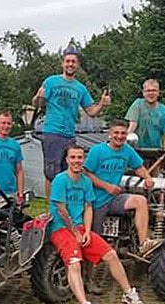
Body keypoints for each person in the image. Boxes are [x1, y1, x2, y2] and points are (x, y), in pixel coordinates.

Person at [49, 145, 144, 304]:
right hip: (62, 229)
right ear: (67, 160)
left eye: (80, 157)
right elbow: (61, 211)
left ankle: (128, 293)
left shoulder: (85, 181)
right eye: (73, 157)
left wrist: (87, 232)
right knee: (74, 263)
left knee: (111, 255)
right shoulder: (60, 180)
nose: (77, 161)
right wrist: (75, 232)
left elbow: (88, 207)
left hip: (81, 228)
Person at [32, 47, 110, 201]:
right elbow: (37, 104)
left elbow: (91, 111)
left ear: (78, 65)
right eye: (68, 61)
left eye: (73, 61)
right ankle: (51, 209)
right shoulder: (51, 81)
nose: (70, 64)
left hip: (70, 135)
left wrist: (101, 103)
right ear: (63, 63)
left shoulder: (80, 88)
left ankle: (66, 206)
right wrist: (37, 97)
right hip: (52, 133)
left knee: (69, 172)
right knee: (51, 172)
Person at [84, 119, 160, 257]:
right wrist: (107, 186)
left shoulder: (127, 151)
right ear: (110, 134)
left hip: (114, 199)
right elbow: (86, 173)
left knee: (140, 201)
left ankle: (143, 243)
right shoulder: (97, 151)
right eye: (116, 133)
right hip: (95, 200)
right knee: (93, 242)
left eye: (123, 133)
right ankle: (87, 273)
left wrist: (148, 177)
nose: (119, 136)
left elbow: (138, 167)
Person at [125, 79, 165, 150]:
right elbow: (132, 126)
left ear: (158, 93)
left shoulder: (164, 111)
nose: (151, 93)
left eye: (154, 90)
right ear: (143, 93)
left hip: (156, 150)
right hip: (137, 150)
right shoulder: (137, 105)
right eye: (148, 91)